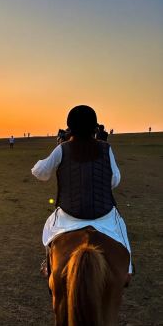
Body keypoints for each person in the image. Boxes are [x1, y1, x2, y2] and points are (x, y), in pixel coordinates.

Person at [31, 105, 133, 281]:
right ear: (94, 127)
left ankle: (48, 265)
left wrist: (44, 160)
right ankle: (128, 271)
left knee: (49, 228)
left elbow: (41, 173)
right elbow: (115, 180)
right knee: (121, 229)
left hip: (69, 216)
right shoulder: (106, 148)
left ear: (70, 127)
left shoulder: (62, 149)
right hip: (104, 215)